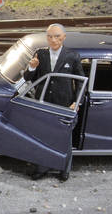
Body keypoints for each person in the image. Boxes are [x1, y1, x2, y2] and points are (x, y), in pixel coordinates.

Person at [23, 23, 85, 181]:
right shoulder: (40, 54)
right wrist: (31, 68)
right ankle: (41, 167)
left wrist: (77, 102)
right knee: (42, 135)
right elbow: (28, 78)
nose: (53, 40)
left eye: (57, 36)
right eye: (50, 36)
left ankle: (64, 169)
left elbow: (80, 81)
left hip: (63, 102)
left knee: (64, 137)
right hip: (43, 101)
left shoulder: (72, 56)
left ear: (64, 37)